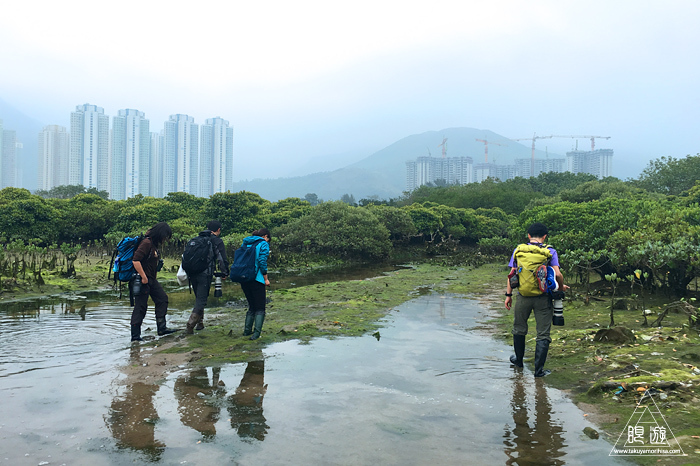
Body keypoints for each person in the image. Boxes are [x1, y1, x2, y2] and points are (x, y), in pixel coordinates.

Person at [504, 222, 568, 377]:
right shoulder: (550, 251)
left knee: (519, 328)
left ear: (528, 235)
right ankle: (538, 371)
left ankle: (519, 360)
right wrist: (560, 287)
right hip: (543, 297)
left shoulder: (519, 250)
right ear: (545, 236)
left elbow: (512, 274)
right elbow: (558, 274)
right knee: (543, 334)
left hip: (523, 296)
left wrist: (508, 295)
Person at [130, 222, 177, 341]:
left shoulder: (153, 244)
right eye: (165, 236)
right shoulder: (146, 243)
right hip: (143, 280)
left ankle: (162, 328)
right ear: (160, 234)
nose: (165, 239)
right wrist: (143, 277)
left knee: (162, 299)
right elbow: (136, 260)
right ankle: (135, 337)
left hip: (151, 279)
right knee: (140, 307)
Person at [186, 221, 229, 334]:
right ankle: (190, 326)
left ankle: (200, 324)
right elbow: (221, 259)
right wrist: (225, 272)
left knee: (199, 298)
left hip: (192, 273)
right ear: (218, 230)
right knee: (201, 300)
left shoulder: (196, 239)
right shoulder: (216, 241)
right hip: (205, 274)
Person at [240, 228, 271, 340]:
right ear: (265, 236)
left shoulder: (246, 243)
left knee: (251, 306)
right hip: (256, 279)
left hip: (243, 278)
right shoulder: (263, 244)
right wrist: (266, 278)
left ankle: (247, 331)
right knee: (260, 307)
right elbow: (262, 262)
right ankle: (256, 334)